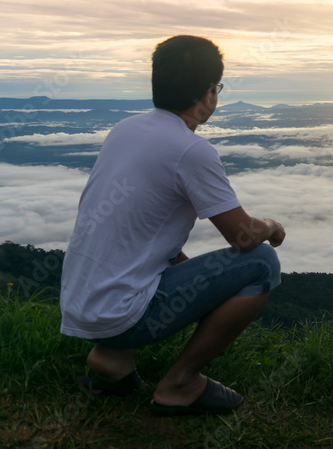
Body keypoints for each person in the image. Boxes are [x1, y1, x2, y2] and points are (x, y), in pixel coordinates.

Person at [59, 34, 285, 416]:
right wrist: (272, 226)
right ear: (209, 93)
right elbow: (244, 237)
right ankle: (180, 385)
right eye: (217, 88)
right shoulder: (191, 150)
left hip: (80, 304)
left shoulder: (124, 130)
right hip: (119, 313)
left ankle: (112, 358)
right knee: (262, 263)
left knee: (181, 262)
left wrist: (196, 280)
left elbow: (141, 231)